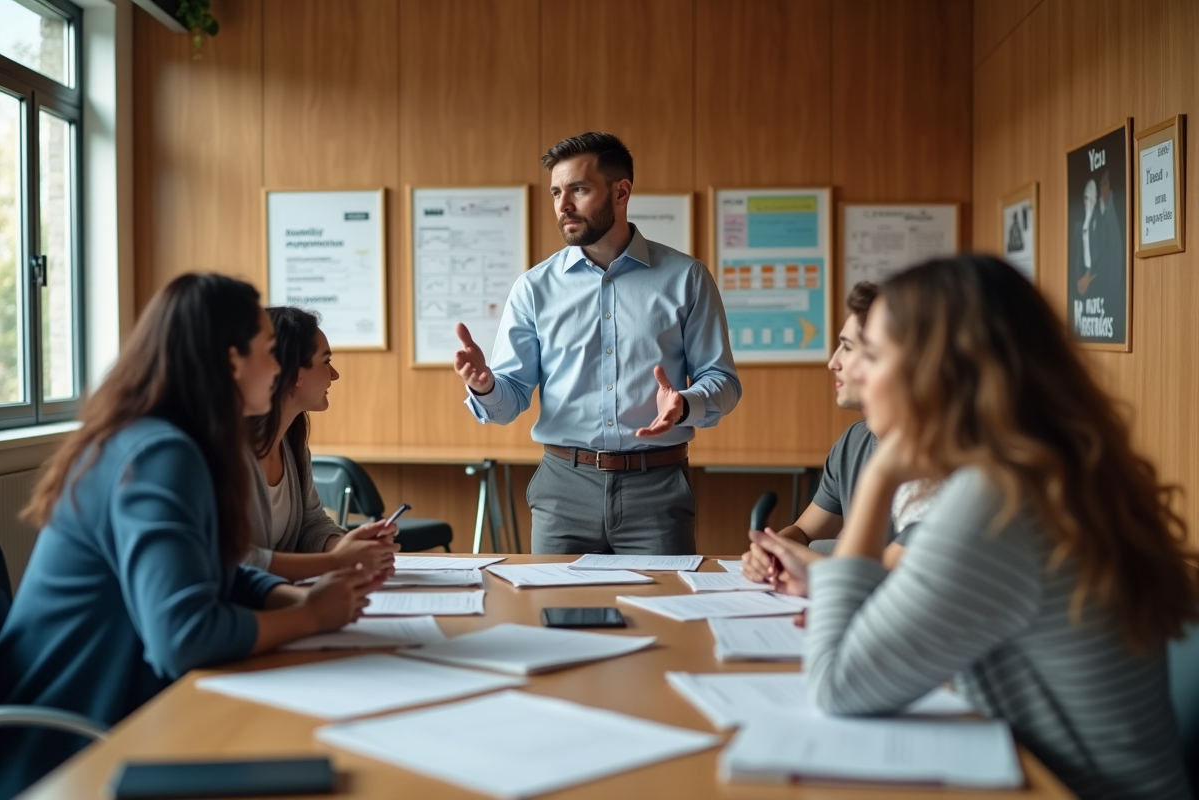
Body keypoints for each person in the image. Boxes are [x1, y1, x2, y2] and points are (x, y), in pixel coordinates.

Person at [753, 255, 1197, 799]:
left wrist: (881, 475)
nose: (855, 370)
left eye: (873, 353)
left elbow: (836, 685)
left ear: (937, 370)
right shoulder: (1038, 474)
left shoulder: (996, 501)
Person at [0, 275, 383, 798]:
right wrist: (311, 616)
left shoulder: (172, 442)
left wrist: (288, 595)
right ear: (231, 362)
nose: (277, 369)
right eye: (269, 352)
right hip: (74, 745)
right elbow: (182, 637)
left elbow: (209, 569)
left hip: (134, 713)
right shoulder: (160, 454)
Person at [453, 132, 741, 554]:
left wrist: (684, 404)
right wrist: (485, 386)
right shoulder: (534, 288)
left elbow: (723, 382)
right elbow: (510, 400)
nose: (563, 205)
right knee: (555, 615)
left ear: (621, 191)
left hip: (656, 486)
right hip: (563, 487)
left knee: (661, 617)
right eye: (556, 192)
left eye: (579, 189)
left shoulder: (686, 279)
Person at [741, 282, 914, 582]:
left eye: (847, 348)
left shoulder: (942, 467)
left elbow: (882, 581)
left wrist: (814, 570)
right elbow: (805, 531)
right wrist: (773, 552)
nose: (833, 363)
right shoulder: (855, 440)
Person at [246, 307, 401, 582]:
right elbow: (236, 558)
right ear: (294, 372)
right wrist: (334, 561)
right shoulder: (225, 453)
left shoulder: (291, 442)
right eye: (326, 361)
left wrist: (350, 546)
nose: (335, 375)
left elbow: (311, 522)